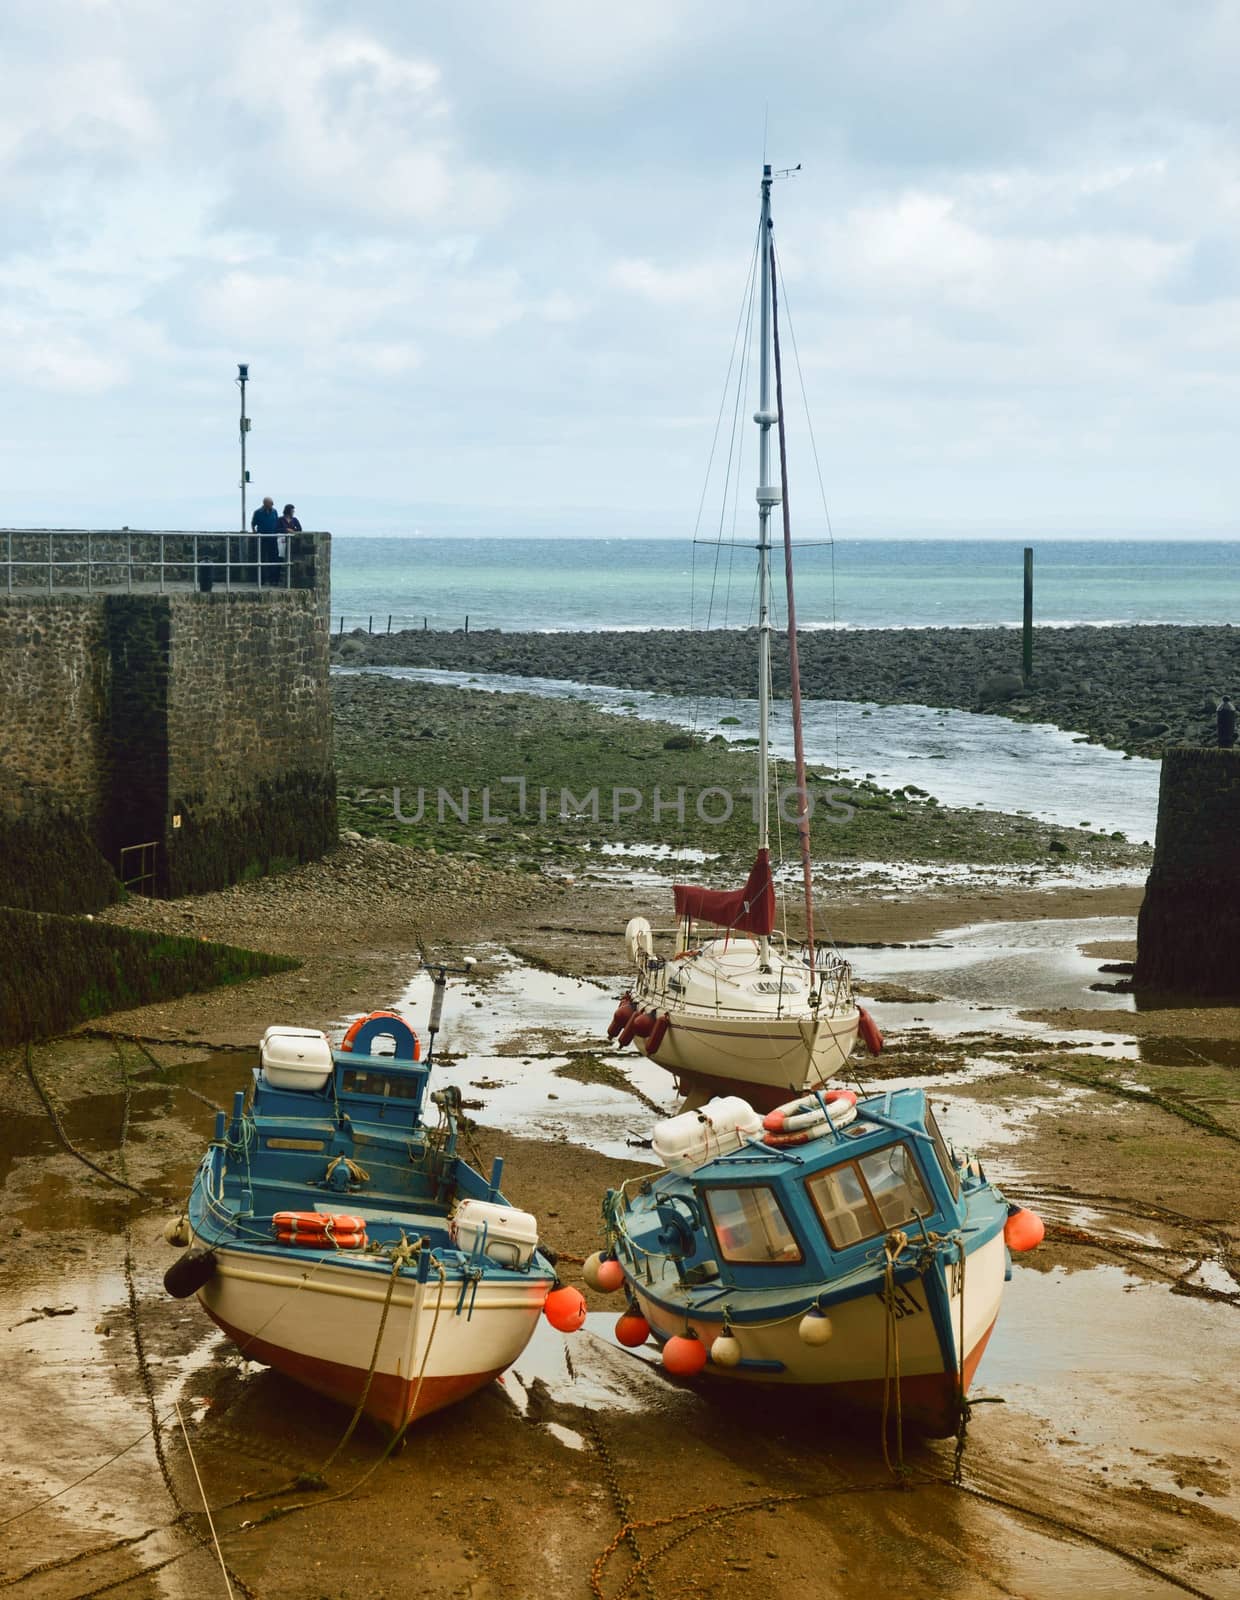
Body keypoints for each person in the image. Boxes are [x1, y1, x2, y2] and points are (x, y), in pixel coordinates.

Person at [251, 496, 281, 585]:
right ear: (265, 503)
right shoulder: (258, 512)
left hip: (273, 538)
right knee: (261, 559)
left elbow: (276, 522)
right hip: (262, 538)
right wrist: (255, 533)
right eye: (271, 503)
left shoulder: (274, 511)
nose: (273, 504)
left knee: (273, 559)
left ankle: (273, 580)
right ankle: (261, 580)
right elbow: (253, 523)